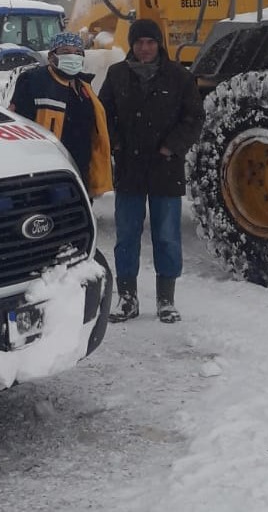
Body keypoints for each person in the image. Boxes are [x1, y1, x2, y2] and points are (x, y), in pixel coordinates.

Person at [98, 19, 204, 323]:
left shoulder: (179, 77)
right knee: (127, 235)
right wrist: (117, 145)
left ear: (160, 45)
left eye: (150, 42)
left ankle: (166, 299)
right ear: (131, 45)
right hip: (130, 168)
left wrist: (172, 146)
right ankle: (127, 298)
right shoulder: (117, 75)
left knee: (167, 235)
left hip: (165, 168)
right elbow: (104, 114)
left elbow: (194, 118)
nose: (145, 49)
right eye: (139, 42)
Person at [8, 31, 113, 198]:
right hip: (47, 171)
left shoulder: (84, 87)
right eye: (65, 52)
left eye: (77, 53)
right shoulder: (34, 81)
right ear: (52, 57)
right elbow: (19, 127)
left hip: (80, 169)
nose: (72, 57)